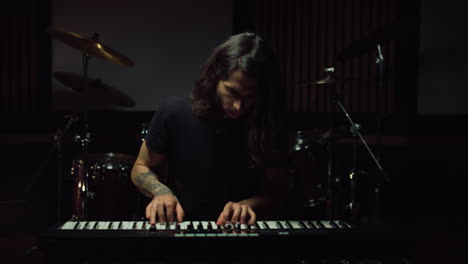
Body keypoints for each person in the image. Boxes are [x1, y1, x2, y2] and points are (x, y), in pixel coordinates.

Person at [131, 32, 289, 226]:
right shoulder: (174, 112)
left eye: (250, 97)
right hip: (182, 230)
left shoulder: (269, 121)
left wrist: (248, 205)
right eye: (232, 92)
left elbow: (279, 190)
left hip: (245, 233)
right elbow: (141, 167)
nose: (239, 106)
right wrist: (161, 192)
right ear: (215, 77)